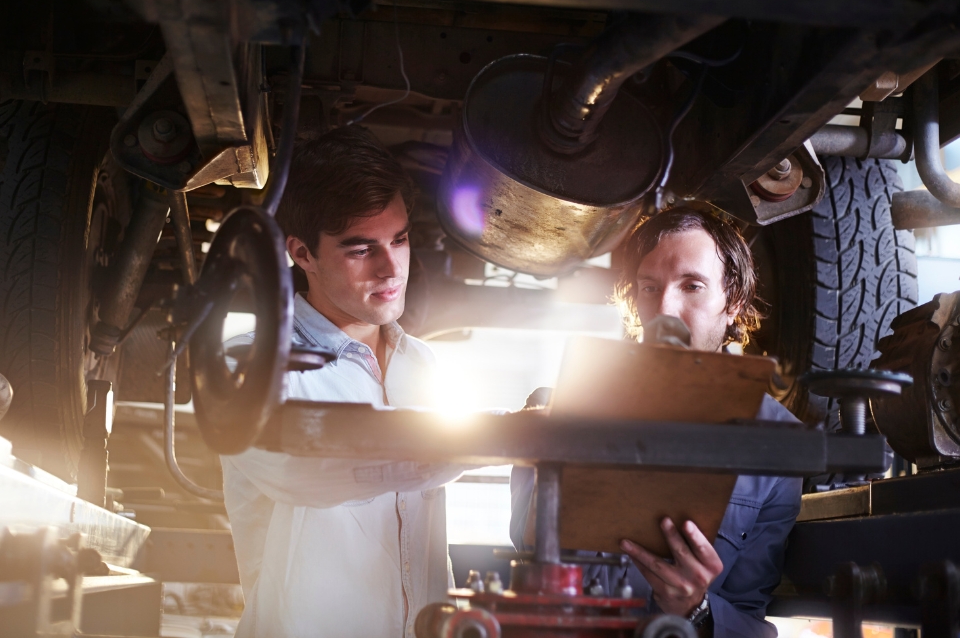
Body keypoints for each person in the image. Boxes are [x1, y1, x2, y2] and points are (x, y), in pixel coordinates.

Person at [510, 206, 802, 638]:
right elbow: (527, 546)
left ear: (733, 299)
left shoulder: (779, 445)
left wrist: (695, 609)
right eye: (650, 287)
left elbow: (747, 612)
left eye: (692, 286)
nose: (665, 309)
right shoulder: (560, 410)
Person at [221, 127, 467, 638]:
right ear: (302, 253)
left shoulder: (424, 366)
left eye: (399, 239)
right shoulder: (250, 364)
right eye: (361, 250)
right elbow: (304, 475)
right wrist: (475, 445)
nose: (390, 267)